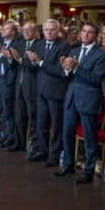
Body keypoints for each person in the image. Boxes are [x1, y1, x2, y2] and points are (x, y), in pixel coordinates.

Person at [56, 22, 105, 184]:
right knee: (67, 134)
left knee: (89, 136)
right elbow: (68, 76)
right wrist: (65, 69)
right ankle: (68, 165)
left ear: (96, 35)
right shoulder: (74, 50)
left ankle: (88, 170)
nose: (86, 35)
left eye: (90, 32)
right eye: (84, 31)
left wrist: (77, 68)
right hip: (71, 96)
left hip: (89, 97)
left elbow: (97, 78)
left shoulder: (101, 54)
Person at [26, 19, 70, 167]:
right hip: (41, 90)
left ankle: (55, 154)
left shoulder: (64, 46)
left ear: (58, 31)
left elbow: (60, 70)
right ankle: (43, 151)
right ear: (42, 31)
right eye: (46, 30)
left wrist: (39, 62)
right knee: (41, 123)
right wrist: (33, 62)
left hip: (56, 92)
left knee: (56, 126)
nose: (49, 32)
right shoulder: (39, 44)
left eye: (52, 30)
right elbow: (35, 68)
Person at [8, 21, 40, 152]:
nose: (26, 32)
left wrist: (20, 59)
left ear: (36, 31)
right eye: (24, 30)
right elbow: (15, 66)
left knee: (33, 119)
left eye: (29, 30)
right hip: (19, 86)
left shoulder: (39, 46)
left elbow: (34, 65)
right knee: (19, 118)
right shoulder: (21, 46)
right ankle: (19, 143)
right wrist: (10, 59)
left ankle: (34, 146)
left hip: (32, 87)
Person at [0, 22, 21, 147]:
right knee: (1, 110)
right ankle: (5, 135)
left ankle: (11, 136)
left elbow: (13, 64)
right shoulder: (0, 43)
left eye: (6, 29)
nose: (2, 30)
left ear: (13, 32)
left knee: (8, 110)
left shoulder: (17, 45)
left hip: (8, 80)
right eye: (2, 29)